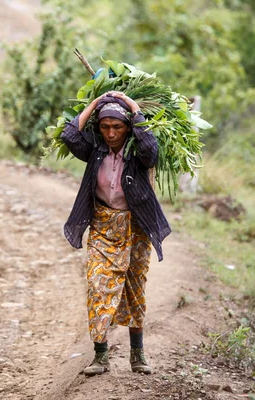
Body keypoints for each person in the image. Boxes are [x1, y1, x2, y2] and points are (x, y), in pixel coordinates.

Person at [60, 91, 171, 376]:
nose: (110, 133)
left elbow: (151, 148)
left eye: (117, 127)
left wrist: (133, 108)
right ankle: (100, 356)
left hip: (136, 228)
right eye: (105, 126)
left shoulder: (138, 155)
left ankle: (138, 354)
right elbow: (70, 135)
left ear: (128, 128)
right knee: (98, 286)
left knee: (135, 289)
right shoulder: (95, 150)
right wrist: (95, 104)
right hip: (103, 225)